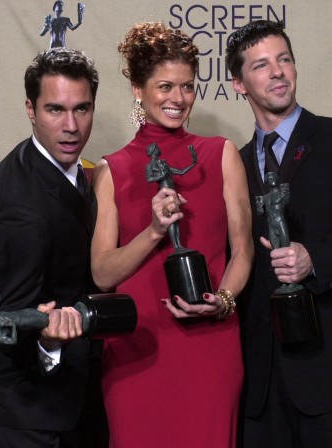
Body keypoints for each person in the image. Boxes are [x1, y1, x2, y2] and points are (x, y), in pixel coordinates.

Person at [225, 20, 332, 447]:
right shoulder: (234, 165)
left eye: (284, 59)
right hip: (262, 382)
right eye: (262, 65)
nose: (278, 72)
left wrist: (314, 259)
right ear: (238, 84)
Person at [91, 21, 253, 447]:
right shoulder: (111, 169)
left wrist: (223, 301)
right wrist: (154, 230)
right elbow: (103, 274)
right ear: (138, 91)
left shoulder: (221, 155)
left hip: (210, 348)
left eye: (187, 87)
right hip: (136, 352)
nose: (178, 98)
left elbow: (243, 251)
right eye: (165, 86)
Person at [0, 47, 101, 448]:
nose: (71, 126)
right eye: (55, 110)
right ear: (30, 108)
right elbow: (7, 319)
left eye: (82, 109)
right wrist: (49, 344)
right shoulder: (21, 205)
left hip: (60, 397)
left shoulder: (58, 168)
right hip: (23, 405)